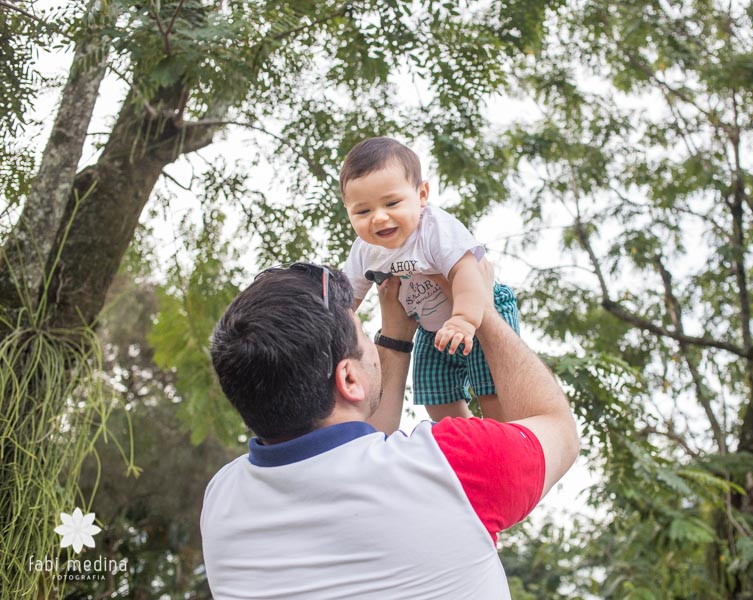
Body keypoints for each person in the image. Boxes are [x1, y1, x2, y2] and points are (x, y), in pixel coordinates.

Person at [200, 261, 579, 599]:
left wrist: (394, 340)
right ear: (348, 377)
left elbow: (354, 457)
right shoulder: (452, 466)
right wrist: (483, 310)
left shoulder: (222, 502)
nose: (370, 341)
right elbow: (556, 427)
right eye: (363, 335)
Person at [340, 136, 520, 422]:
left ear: (422, 195)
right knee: (435, 393)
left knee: (491, 390)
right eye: (363, 211)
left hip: (476, 308)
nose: (379, 218)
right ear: (348, 212)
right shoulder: (365, 251)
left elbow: (466, 271)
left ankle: (500, 435)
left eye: (392, 203)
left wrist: (464, 319)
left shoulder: (435, 228)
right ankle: (464, 437)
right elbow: (347, 301)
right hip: (430, 327)